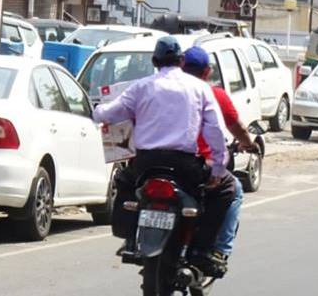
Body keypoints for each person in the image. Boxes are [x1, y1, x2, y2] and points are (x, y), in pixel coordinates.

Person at [93, 36, 234, 276]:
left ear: (154, 61)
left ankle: (129, 239)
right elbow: (216, 132)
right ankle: (201, 250)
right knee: (226, 188)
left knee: (123, 182)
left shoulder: (141, 87)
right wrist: (218, 170)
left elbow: (108, 114)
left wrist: (96, 110)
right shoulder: (200, 88)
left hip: (145, 164)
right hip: (184, 166)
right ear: (181, 61)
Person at [180, 47, 258, 275]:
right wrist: (249, 143)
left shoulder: (159, 89)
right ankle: (218, 250)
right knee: (233, 189)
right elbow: (235, 128)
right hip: (194, 163)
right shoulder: (212, 94)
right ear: (207, 72)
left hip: (154, 161)